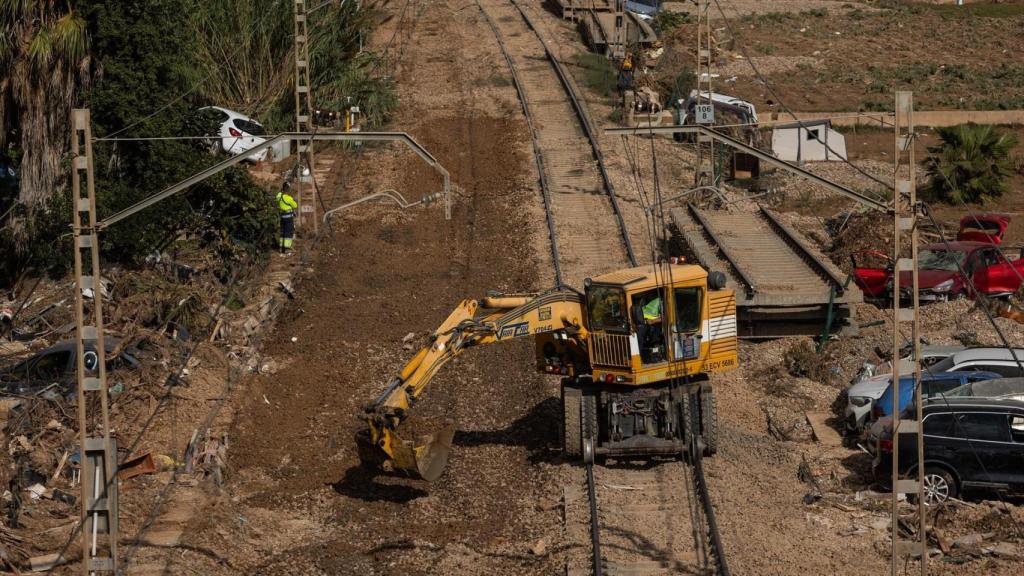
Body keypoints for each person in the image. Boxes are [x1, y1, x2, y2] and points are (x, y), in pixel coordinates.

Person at [276, 182, 298, 254]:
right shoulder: (288, 198)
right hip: (288, 217)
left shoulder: (279, 196)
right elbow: (295, 205)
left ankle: (281, 248)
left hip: (282, 216)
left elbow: (277, 198)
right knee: (288, 232)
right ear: (288, 189)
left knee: (283, 232)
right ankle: (287, 248)